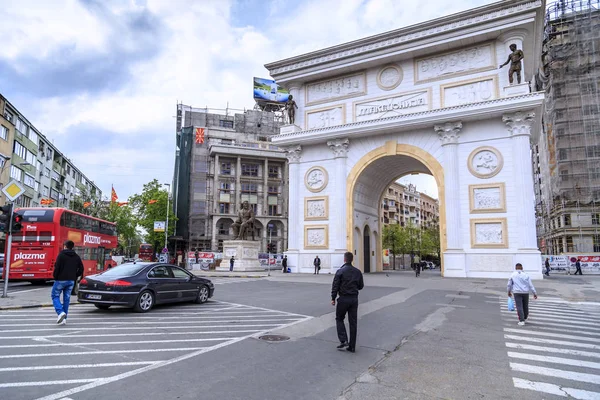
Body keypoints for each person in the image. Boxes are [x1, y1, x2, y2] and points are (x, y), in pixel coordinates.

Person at [331, 252, 364, 353]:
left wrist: (333, 298)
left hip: (343, 298)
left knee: (339, 318)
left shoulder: (340, 271)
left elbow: (335, 285)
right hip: (354, 299)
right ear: (351, 260)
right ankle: (352, 346)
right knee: (353, 322)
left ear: (344, 260)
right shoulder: (357, 272)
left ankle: (343, 339)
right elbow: (361, 286)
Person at [51, 240, 84, 325]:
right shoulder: (76, 256)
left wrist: (55, 276)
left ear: (65, 246)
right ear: (72, 247)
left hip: (60, 280)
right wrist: (75, 276)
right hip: (71, 281)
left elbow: (57, 267)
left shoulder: (61, 255)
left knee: (55, 295)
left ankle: (60, 312)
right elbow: (81, 269)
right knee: (66, 298)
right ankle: (64, 318)